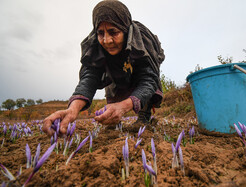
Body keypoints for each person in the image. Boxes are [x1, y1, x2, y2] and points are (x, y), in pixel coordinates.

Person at [43, 0, 165, 136]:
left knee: (144, 85)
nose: (107, 41)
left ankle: (144, 116)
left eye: (113, 32)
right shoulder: (95, 45)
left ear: (125, 30)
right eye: (101, 33)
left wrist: (123, 107)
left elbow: (148, 80)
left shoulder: (142, 42)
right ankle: (112, 118)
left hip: (138, 65)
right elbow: (90, 78)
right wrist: (72, 109)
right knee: (113, 85)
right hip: (115, 69)